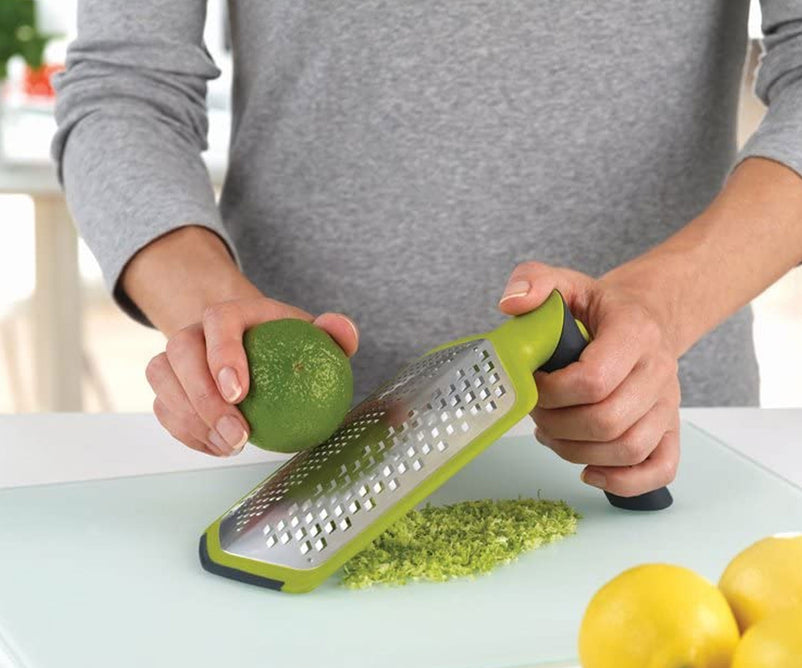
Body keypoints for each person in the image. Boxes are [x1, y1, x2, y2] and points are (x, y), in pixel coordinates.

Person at [53, 2, 802, 498]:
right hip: (293, 467)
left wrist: (660, 307)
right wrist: (214, 316)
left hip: (646, 440)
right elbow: (124, 89)